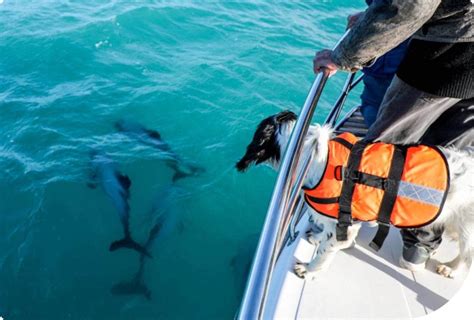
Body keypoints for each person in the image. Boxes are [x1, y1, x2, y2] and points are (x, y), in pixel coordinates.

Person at [313, 0, 473, 271]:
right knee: (442, 164)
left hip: (444, 55)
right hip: (465, 56)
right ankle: (418, 248)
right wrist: (370, 16)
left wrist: (342, 56)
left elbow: (408, 6)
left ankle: (346, 228)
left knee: (381, 152)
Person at [347, 3, 409, 127]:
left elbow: (396, 8)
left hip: (392, 64)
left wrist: (339, 58)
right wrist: (371, 15)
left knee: (375, 109)